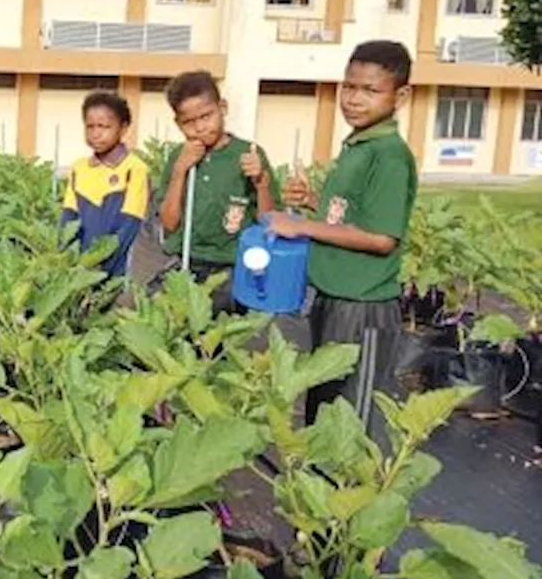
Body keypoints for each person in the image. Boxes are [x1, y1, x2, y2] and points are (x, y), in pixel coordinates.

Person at [267, 40, 418, 427]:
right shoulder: (357, 146)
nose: (354, 99)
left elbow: (382, 238)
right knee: (323, 415)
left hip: (363, 308)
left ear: (401, 96)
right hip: (334, 301)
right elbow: (350, 214)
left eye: (370, 90)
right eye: (348, 87)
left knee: (352, 425)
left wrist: (299, 226)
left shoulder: (388, 154)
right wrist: (312, 203)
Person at [156, 71, 276, 312]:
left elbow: (269, 221)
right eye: (189, 122)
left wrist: (261, 182)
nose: (200, 127)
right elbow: (168, 224)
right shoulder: (179, 157)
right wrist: (180, 170)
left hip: (231, 266)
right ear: (178, 123)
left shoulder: (249, 154)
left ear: (222, 108)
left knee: (224, 341)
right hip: (186, 262)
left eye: (206, 116)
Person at [61, 91, 150, 280]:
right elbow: (68, 220)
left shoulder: (134, 169)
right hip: (80, 269)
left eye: (103, 126)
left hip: (118, 269)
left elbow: (129, 227)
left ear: (124, 128)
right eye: (90, 126)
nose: (95, 134)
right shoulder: (79, 168)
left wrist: (101, 269)